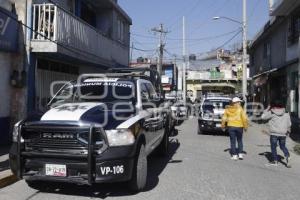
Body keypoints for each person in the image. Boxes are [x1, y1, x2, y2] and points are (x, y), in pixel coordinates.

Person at [261, 101, 291, 168]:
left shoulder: (272, 112)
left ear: (273, 105)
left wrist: (267, 109)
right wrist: (288, 131)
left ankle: (275, 161)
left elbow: (263, 117)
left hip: (274, 133)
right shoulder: (286, 113)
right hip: (283, 133)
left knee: (273, 147)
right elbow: (289, 124)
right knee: (283, 146)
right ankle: (287, 156)